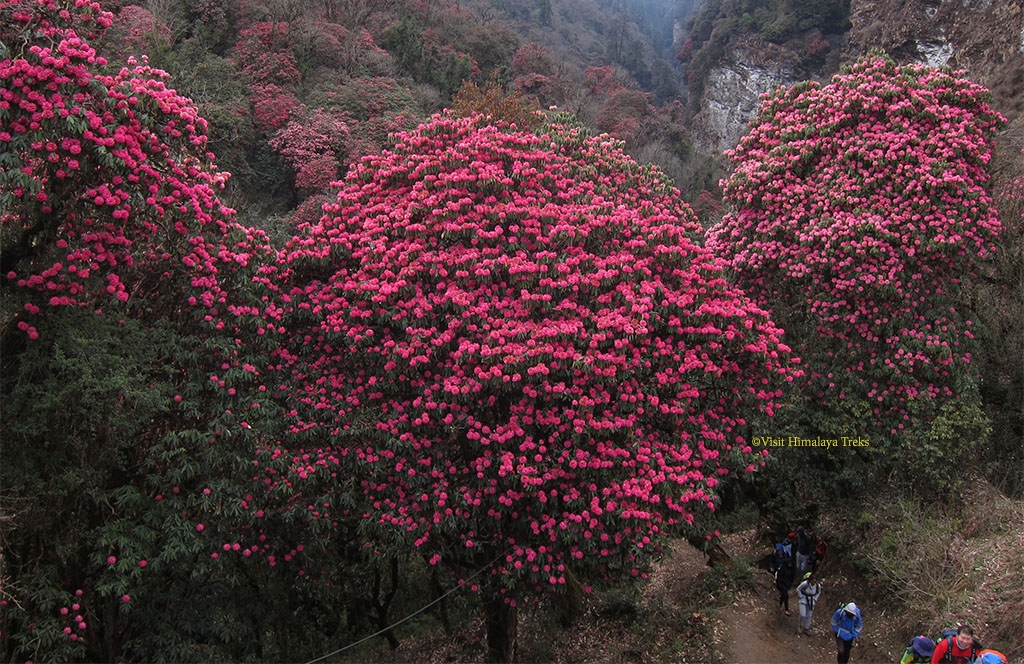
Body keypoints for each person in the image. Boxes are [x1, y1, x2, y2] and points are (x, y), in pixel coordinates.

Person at [795, 571, 821, 635]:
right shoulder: (805, 584)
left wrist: (815, 599)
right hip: (804, 599)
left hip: (811, 600)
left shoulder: (818, 586)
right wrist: (800, 596)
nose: (814, 582)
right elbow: (798, 589)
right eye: (813, 581)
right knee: (803, 614)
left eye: (815, 581)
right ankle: (800, 626)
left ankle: (806, 628)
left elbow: (818, 592)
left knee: (809, 615)